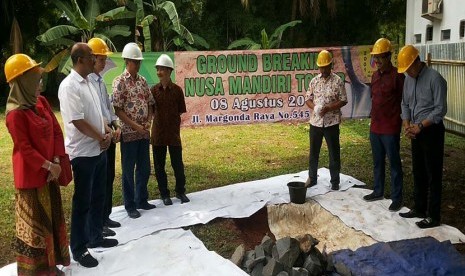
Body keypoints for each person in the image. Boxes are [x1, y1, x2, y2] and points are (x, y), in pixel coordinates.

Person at [4, 53, 70, 275]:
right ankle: (36, 271)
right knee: (35, 229)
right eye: (34, 77)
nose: (39, 81)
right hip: (32, 179)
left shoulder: (40, 102)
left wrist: (56, 160)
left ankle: (51, 266)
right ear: (22, 81)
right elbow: (25, 149)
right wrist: (50, 166)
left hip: (50, 173)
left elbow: (57, 132)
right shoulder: (14, 115)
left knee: (51, 221)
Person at [58, 43, 118, 268]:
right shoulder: (69, 86)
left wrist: (107, 131)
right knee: (82, 202)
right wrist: (100, 137)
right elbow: (78, 120)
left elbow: (99, 113)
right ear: (80, 59)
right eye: (92, 56)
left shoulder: (91, 82)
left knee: (98, 196)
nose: (95, 60)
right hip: (83, 152)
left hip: (98, 149)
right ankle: (80, 248)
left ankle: (95, 236)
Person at [397, 45, 447, 229]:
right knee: (418, 171)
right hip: (415, 129)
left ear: (417, 62)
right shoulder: (408, 80)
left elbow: (440, 110)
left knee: (433, 174)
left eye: (409, 68)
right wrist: (407, 124)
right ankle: (419, 208)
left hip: (431, 131)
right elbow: (405, 104)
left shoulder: (435, 79)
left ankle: (433, 216)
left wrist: (420, 126)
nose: (407, 73)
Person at [112, 42, 155, 218]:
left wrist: (149, 121)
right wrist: (135, 125)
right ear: (126, 61)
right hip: (129, 133)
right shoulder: (119, 82)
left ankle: (141, 199)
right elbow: (117, 109)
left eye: (139, 62)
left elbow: (151, 103)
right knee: (128, 170)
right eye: (134, 62)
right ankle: (130, 205)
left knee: (144, 168)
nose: (137, 65)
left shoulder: (143, 81)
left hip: (144, 133)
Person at [362, 38, 405, 212]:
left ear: (388, 57)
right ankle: (378, 191)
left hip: (391, 127)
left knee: (394, 163)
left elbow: (404, 101)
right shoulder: (374, 76)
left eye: (380, 57)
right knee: (377, 162)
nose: (377, 61)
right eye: (375, 58)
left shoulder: (398, 76)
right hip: (375, 127)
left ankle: (397, 197)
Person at [87, 38, 122, 237]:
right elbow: (93, 114)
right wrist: (108, 129)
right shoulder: (88, 83)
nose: (104, 63)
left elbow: (108, 109)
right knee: (98, 183)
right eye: (101, 59)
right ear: (92, 59)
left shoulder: (100, 82)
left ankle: (105, 216)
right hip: (98, 137)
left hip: (109, 134)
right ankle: (97, 222)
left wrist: (115, 126)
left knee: (108, 177)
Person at [305, 50, 347, 190]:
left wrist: (329, 108)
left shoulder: (337, 81)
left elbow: (343, 100)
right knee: (313, 153)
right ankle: (312, 178)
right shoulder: (314, 81)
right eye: (321, 67)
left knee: (334, 153)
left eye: (326, 67)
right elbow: (308, 99)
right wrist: (315, 107)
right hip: (316, 122)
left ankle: (335, 181)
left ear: (331, 65)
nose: (323, 70)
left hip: (332, 123)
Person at [151, 54, 189, 205]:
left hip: (173, 134)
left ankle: (180, 191)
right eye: (158, 69)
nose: (159, 72)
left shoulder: (178, 90)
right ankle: (164, 194)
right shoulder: (153, 90)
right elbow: (151, 111)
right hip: (158, 134)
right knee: (159, 166)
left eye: (162, 69)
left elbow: (180, 110)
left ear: (169, 71)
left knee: (177, 164)